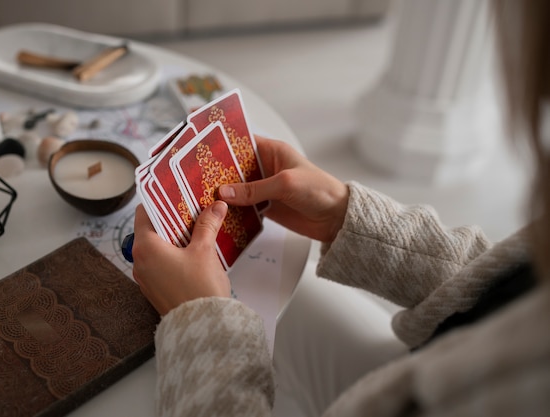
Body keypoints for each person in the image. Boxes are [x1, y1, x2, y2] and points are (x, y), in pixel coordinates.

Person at [131, 0, 550, 415]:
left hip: (424, 388)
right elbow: (507, 284)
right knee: (284, 288)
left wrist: (201, 325)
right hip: (431, 362)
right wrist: (345, 215)